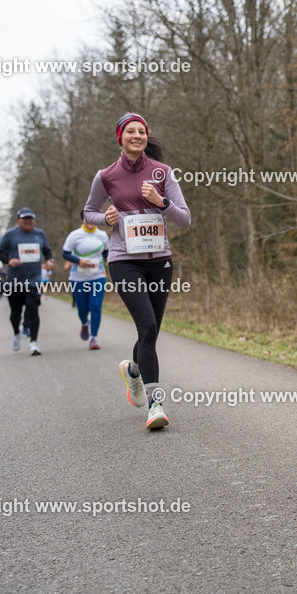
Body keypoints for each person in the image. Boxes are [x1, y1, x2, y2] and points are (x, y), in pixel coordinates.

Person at [84, 113, 190, 430]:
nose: (136, 136)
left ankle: (133, 372)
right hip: (124, 260)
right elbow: (88, 212)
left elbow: (184, 219)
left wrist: (161, 202)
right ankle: (156, 404)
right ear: (120, 137)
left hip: (159, 260)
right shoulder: (106, 176)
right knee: (146, 326)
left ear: (146, 137)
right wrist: (106, 219)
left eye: (141, 131)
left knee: (151, 331)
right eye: (130, 131)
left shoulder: (162, 172)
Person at [0, 207, 54, 356]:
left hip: (34, 281)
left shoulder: (40, 234)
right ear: (18, 220)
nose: (28, 222)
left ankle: (33, 343)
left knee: (33, 310)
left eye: (31, 219)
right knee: (15, 313)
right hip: (14, 281)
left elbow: (47, 250)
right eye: (25, 219)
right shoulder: (10, 235)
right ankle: (16, 333)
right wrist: (9, 260)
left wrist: (50, 260)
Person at [62, 210, 110, 350]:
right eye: (86, 218)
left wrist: (108, 259)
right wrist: (78, 261)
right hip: (78, 277)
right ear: (82, 220)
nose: (89, 221)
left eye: (92, 219)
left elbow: (106, 250)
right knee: (82, 308)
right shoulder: (74, 235)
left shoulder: (102, 235)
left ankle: (93, 338)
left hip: (98, 276)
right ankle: (84, 323)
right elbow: (65, 253)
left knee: (96, 306)